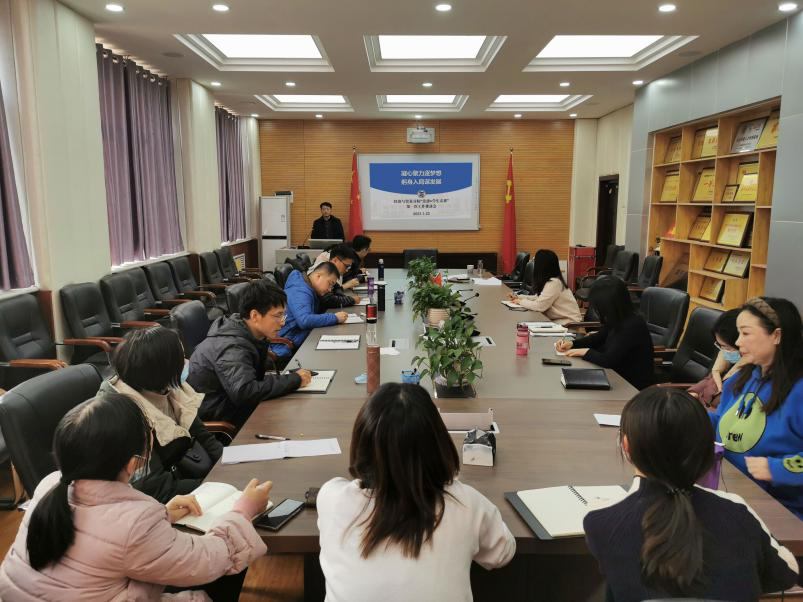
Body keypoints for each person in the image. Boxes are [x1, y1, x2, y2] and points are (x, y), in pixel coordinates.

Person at [0, 393, 271, 602]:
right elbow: (209, 560)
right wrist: (243, 510)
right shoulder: (135, 522)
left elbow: (101, 538)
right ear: (133, 463)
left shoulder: (50, 484)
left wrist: (164, 514)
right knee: (224, 569)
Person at [584, 386, 799, 602]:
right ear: (708, 449)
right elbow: (787, 574)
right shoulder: (737, 510)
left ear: (626, 446)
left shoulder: (600, 521)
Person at [317, 383, 516, 602]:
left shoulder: (331, 498)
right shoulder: (466, 503)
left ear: (362, 445)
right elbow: (502, 553)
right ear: (437, 443)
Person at [99, 327, 222, 504]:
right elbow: (155, 489)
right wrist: (221, 485)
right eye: (179, 360)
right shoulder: (122, 417)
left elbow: (203, 436)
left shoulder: (166, 388)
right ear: (160, 370)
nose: (186, 363)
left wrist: (229, 465)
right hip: (156, 503)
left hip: (185, 479)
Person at [712, 296, 803, 518]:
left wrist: (777, 469)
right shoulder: (739, 379)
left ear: (776, 336)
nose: (738, 342)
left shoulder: (798, 391)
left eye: (746, 333)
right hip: (733, 494)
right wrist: (687, 415)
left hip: (782, 511)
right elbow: (724, 422)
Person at [188, 279, 311, 428]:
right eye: (277, 316)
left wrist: (288, 378)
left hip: (234, 406)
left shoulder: (246, 332)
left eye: (283, 315)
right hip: (223, 420)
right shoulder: (231, 346)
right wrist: (294, 380)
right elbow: (245, 392)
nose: (282, 322)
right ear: (255, 315)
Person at [556, 276, 654, 389]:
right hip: (614, 377)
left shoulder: (633, 325)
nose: (597, 310)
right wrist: (573, 344)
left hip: (631, 386)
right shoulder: (619, 318)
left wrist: (585, 352)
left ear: (610, 306)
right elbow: (598, 338)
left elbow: (608, 360)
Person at [270, 261, 347, 359]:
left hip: (297, 339)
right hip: (282, 346)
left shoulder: (308, 288)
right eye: (330, 284)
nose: (329, 289)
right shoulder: (300, 290)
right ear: (318, 276)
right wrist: (335, 318)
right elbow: (304, 320)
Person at [687, 308, 746, 408]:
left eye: (727, 347)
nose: (723, 350)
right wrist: (693, 393)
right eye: (720, 345)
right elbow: (709, 379)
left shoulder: (748, 374)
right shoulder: (726, 359)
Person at [506, 249, 582, 325]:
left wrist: (520, 301)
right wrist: (519, 297)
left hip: (569, 324)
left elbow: (540, 306)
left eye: (535, 261)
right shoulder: (550, 281)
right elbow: (539, 298)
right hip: (558, 321)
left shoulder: (554, 283)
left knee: (524, 327)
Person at [308, 244, 362, 309]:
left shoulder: (332, 271)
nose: (347, 270)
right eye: (346, 266)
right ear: (335, 260)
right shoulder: (323, 269)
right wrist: (352, 300)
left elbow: (337, 289)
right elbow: (328, 300)